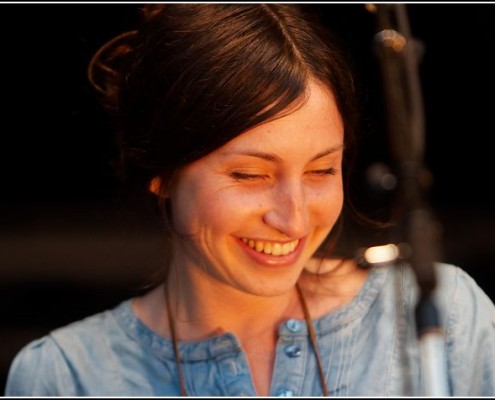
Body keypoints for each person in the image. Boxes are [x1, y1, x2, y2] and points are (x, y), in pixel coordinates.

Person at [5, 3, 495, 397]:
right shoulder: (63, 376)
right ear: (162, 172)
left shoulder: (439, 314)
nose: (294, 218)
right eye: (250, 174)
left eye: (322, 169)